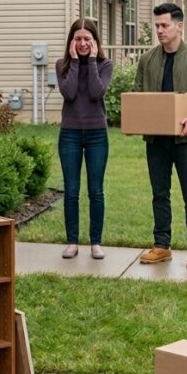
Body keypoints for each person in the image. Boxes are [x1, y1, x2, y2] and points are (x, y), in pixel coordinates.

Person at [133, 3, 187, 270]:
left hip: (186, 139)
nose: (159, 30)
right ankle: (161, 245)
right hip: (156, 140)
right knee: (159, 194)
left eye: (164, 25)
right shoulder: (147, 60)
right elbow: (138, 96)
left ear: (179, 26)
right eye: (157, 25)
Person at [55, 19, 114, 260]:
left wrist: (90, 60)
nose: (82, 43)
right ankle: (72, 242)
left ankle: (96, 243)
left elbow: (96, 92)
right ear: (71, 42)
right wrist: (77, 62)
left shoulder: (104, 64)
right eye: (77, 39)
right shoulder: (62, 65)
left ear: (95, 41)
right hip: (69, 133)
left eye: (87, 39)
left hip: (96, 134)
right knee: (71, 190)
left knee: (96, 190)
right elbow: (68, 93)